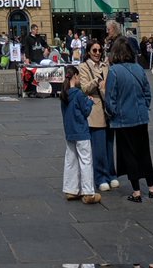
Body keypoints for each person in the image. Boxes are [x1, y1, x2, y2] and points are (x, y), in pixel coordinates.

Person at [105, 36, 153, 203]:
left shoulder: (114, 71)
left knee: (129, 154)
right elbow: (147, 93)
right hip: (140, 117)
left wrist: (113, 113)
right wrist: (143, 108)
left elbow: (110, 98)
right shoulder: (139, 69)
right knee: (144, 152)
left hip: (123, 120)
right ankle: (152, 188)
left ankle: (137, 192)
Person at [78, 39, 118, 193]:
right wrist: (96, 81)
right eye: (94, 50)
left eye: (100, 50)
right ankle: (100, 177)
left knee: (109, 145)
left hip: (108, 109)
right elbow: (84, 88)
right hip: (95, 110)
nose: (97, 53)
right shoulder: (83, 67)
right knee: (99, 147)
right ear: (88, 51)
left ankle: (111, 173)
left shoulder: (105, 65)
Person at [59, 64, 99, 203]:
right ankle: (88, 192)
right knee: (85, 160)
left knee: (71, 160)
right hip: (81, 132)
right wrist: (90, 102)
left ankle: (71, 189)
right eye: (79, 77)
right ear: (75, 76)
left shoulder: (64, 94)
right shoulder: (79, 94)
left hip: (70, 132)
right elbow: (85, 112)